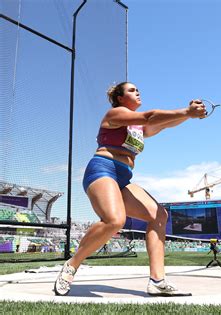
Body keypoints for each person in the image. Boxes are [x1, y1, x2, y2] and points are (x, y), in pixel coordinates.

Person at [53, 82, 206, 296]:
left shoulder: (137, 128)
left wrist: (189, 114)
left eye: (138, 89)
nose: (138, 92)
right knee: (115, 220)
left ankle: (157, 281)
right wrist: (186, 111)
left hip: (124, 175)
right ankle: (71, 265)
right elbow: (149, 116)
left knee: (158, 215)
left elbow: (162, 124)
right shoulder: (114, 114)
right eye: (132, 90)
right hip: (102, 169)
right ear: (120, 98)